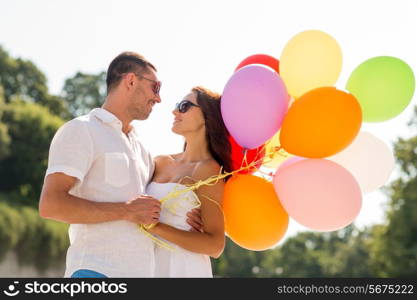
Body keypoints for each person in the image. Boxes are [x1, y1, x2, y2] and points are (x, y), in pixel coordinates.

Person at [39, 52, 202, 278]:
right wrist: (126, 210)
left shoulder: (143, 150)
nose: (159, 99)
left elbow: (149, 208)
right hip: (94, 273)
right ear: (131, 81)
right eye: (155, 87)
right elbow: (51, 204)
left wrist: (188, 217)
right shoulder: (81, 130)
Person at [145, 86, 232, 277]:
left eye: (184, 106)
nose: (175, 111)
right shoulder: (160, 162)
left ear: (206, 117)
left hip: (183, 268)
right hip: (148, 266)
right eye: (177, 105)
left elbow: (215, 245)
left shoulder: (208, 170)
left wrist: (156, 227)